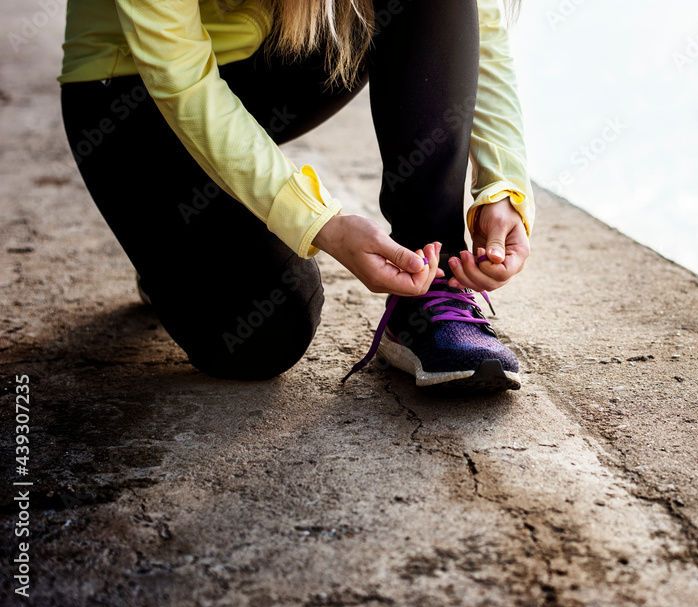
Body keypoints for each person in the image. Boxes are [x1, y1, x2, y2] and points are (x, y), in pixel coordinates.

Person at [58, 0, 534, 390]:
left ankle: (430, 291)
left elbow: (473, 23)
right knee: (262, 335)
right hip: (130, 94)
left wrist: (502, 187)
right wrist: (321, 223)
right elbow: (179, 78)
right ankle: (166, 248)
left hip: (277, 54)